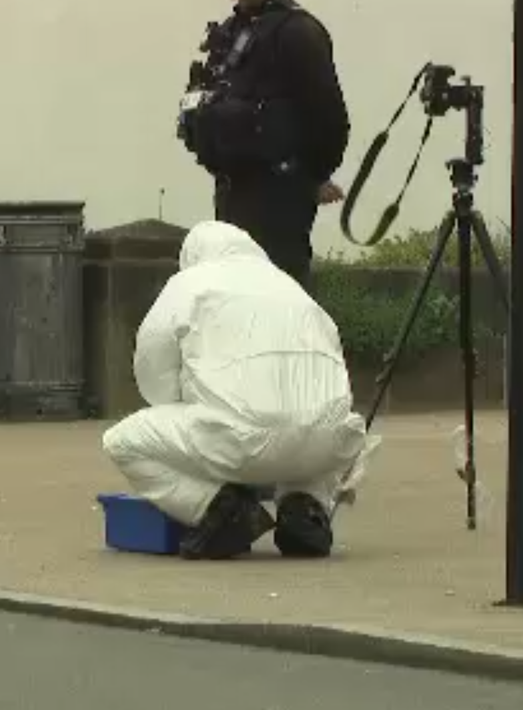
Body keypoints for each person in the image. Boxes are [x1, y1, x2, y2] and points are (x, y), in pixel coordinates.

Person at [100, 220, 375, 560]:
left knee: (121, 442)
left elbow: (153, 373)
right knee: (317, 424)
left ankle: (220, 509)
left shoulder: (189, 283)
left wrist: (187, 403)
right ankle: (305, 506)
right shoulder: (290, 286)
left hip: (239, 441)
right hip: (329, 445)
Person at [175, 0, 350, 291]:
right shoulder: (228, 33)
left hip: (279, 205)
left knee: (276, 308)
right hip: (230, 197)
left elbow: (331, 123)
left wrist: (309, 178)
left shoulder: (298, 32)